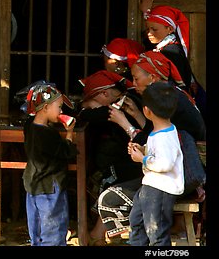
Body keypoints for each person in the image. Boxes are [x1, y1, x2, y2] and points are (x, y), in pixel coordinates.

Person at [92, 51, 205, 244]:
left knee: (113, 180)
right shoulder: (168, 98)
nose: (133, 83)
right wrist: (136, 117)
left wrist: (128, 128)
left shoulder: (167, 118)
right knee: (138, 221)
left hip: (172, 179)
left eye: (136, 78)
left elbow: (165, 159)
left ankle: (98, 235)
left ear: (152, 78)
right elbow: (156, 142)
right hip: (161, 178)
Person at [77, 70, 142, 246]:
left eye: (93, 104)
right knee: (110, 172)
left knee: (110, 176)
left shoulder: (123, 104)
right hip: (138, 159)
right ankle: (100, 232)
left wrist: (84, 111)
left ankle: (98, 233)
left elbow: (88, 115)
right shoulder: (128, 99)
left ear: (105, 94)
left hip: (143, 163)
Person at [21, 81, 78, 246]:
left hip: (32, 186)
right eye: (59, 107)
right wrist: (69, 133)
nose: (61, 111)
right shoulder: (49, 134)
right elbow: (66, 152)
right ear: (45, 108)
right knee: (53, 232)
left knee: (36, 231)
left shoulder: (29, 127)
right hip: (50, 189)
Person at [127, 81, 184, 246]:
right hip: (150, 186)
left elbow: (164, 164)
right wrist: (143, 150)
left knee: (156, 232)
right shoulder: (160, 131)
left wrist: (142, 159)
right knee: (136, 221)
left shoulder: (164, 136)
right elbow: (159, 154)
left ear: (146, 111)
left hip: (161, 189)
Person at [139, 0, 192, 89]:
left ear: (170, 29)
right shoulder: (160, 45)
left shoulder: (172, 52)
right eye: (147, 29)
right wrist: (146, 13)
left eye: (154, 30)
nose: (149, 33)